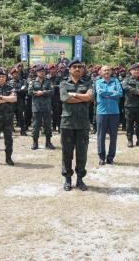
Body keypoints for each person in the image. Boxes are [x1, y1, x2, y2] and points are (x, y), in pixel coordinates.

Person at [59, 59, 94, 191]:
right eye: (75, 67)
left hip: (83, 123)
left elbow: (90, 98)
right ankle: (67, 178)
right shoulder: (63, 83)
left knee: (82, 153)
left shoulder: (88, 83)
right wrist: (82, 96)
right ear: (70, 69)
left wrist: (73, 95)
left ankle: (80, 179)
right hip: (67, 123)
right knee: (67, 153)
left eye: (80, 67)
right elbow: (65, 98)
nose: (78, 69)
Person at [95, 65, 123, 165]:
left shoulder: (116, 81)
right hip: (101, 112)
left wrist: (107, 94)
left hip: (114, 112)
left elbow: (120, 93)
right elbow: (100, 92)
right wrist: (112, 93)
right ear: (101, 72)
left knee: (113, 136)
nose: (106, 72)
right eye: (104, 70)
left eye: (108, 70)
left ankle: (110, 158)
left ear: (111, 72)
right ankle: (101, 157)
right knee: (101, 136)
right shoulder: (98, 82)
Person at [28, 65, 55, 150]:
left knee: (48, 125)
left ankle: (48, 142)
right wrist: (37, 92)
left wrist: (43, 92)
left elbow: (52, 91)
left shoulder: (48, 81)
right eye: (40, 71)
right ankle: (35, 143)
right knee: (36, 125)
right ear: (37, 72)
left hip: (46, 107)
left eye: (43, 71)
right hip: (36, 107)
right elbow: (29, 92)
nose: (42, 73)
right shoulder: (32, 82)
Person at [122, 63, 139, 148]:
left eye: (138, 70)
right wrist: (135, 91)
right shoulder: (126, 80)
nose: (137, 71)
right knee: (129, 124)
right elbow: (124, 87)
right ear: (131, 71)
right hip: (129, 105)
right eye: (135, 70)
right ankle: (130, 140)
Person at [8, 67, 28, 136]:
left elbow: (24, 90)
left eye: (17, 73)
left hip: (20, 101)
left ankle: (23, 131)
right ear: (12, 74)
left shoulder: (22, 81)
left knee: (21, 117)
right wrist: (18, 90)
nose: (15, 75)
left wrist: (16, 91)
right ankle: (10, 130)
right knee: (10, 116)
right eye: (14, 73)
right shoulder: (9, 82)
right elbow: (8, 91)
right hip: (11, 102)